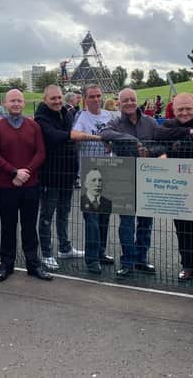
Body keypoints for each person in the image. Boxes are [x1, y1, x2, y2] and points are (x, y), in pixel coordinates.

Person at [0, 89, 52, 283]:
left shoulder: (33, 127)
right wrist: (14, 172)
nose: (16, 104)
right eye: (12, 101)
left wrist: (25, 173)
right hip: (7, 186)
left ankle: (33, 265)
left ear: (24, 103)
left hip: (30, 186)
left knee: (29, 227)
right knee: (8, 227)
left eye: (19, 101)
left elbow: (40, 153)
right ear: (5, 104)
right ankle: (7, 265)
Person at [154, 93, 193, 280]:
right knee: (183, 228)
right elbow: (158, 134)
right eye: (180, 109)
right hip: (179, 186)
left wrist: (180, 143)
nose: (184, 113)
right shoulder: (169, 124)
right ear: (174, 110)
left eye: (188, 109)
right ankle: (188, 265)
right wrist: (186, 133)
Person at [100, 88, 160, 277]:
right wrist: (132, 140)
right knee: (126, 222)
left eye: (132, 100)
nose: (129, 103)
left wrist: (149, 151)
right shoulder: (115, 122)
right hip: (123, 175)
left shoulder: (151, 122)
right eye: (124, 100)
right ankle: (128, 261)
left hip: (147, 176)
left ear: (137, 101)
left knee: (146, 221)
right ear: (119, 103)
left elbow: (163, 142)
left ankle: (141, 259)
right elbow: (105, 133)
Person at [34, 85, 84, 271]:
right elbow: (52, 136)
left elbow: (65, 139)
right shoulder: (40, 117)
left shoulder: (67, 113)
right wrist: (73, 136)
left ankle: (65, 248)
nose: (57, 101)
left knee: (64, 213)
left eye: (59, 98)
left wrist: (70, 138)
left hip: (67, 175)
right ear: (44, 99)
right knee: (47, 216)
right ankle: (46, 253)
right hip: (49, 176)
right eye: (52, 98)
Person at [71, 84, 116, 272]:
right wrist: (100, 138)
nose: (96, 99)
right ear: (85, 99)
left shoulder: (110, 115)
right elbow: (74, 135)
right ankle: (91, 259)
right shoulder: (82, 117)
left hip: (109, 170)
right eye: (92, 96)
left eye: (98, 96)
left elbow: (119, 134)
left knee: (104, 216)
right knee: (92, 219)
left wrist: (112, 141)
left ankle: (100, 252)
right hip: (90, 173)